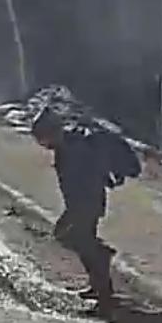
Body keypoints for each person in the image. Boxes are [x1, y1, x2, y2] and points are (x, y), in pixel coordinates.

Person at [30, 107, 121, 304]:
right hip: (81, 203)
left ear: (52, 133)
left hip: (87, 203)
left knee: (73, 238)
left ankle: (103, 281)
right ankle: (99, 285)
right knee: (82, 243)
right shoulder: (66, 147)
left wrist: (80, 206)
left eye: (42, 139)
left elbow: (88, 178)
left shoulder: (74, 148)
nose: (42, 144)